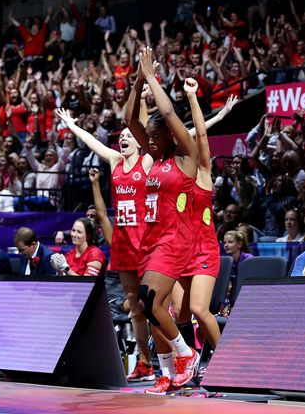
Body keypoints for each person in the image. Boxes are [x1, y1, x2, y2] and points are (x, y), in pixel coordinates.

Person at [55, 106, 153, 382]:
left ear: (139, 141)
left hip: (145, 242)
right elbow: (92, 141)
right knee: (134, 306)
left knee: (153, 307)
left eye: (128, 135)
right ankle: (145, 363)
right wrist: (71, 126)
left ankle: (170, 361)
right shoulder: (114, 160)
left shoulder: (146, 162)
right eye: (120, 135)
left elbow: (176, 136)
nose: (122, 138)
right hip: (122, 244)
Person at [126, 48, 200, 393]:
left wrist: (152, 77)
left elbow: (168, 111)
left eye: (156, 137)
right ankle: (167, 373)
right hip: (152, 240)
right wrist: (138, 78)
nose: (150, 141)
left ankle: (187, 354)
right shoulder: (155, 157)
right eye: (149, 138)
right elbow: (130, 120)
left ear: (170, 135)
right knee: (146, 307)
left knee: (152, 302)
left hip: (175, 239)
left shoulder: (185, 155)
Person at [171, 78, 222, 362]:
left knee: (200, 310)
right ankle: (192, 362)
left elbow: (201, 136)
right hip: (180, 254)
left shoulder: (203, 173)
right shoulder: (172, 178)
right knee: (180, 312)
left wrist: (192, 97)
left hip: (204, 251)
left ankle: (227, 362)